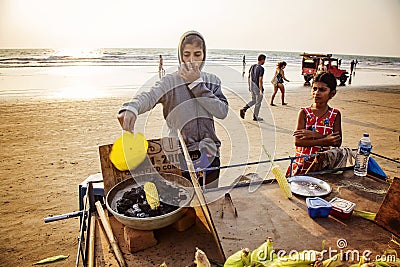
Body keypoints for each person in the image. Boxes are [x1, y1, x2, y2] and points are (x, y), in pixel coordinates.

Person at [118, 31, 229, 188]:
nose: (192, 61)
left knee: (211, 202)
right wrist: (131, 108)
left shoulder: (212, 81)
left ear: (204, 55)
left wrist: (197, 84)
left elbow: (222, 111)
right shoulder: (170, 82)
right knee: (187, 205)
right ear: (180, 56)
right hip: (180, 156)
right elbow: (149, 96)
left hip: (209, 154)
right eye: (186, 55)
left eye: (197, 54)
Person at [287, 72, 342, 176]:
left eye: (322, 90)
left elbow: (337, 142)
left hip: (323, 164)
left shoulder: (335, 114)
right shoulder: (304, 113)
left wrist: (314, 135)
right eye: (314, 88)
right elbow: (298, 142)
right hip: (302, 162)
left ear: (332, 93)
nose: (316, 93)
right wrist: (325, 140)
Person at [240, 54, 266, 121]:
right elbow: (260, 80)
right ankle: (255, 117)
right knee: (258, 103)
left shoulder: (252, 66)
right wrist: (260, 90)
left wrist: (249, 86)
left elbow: (249, 77)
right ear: (262, 60)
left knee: (253, 100)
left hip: (252, 86)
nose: (264, 62)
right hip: (257, 87)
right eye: (264, 60)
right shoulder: (261, 68)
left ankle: (244, 109)